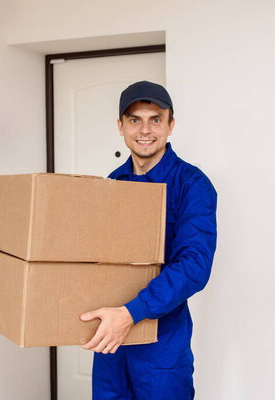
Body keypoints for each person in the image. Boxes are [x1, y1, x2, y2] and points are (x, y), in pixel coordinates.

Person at [80, 81, 218, 399]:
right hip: (111, 344)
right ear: (121, 126)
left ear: (171, 125)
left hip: (160, 347)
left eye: (155, 119)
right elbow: (97, 261)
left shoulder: (193, 185)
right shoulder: (112, 184)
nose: (145, 129)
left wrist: (131, 313)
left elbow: (194, 266)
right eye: (134, 119)